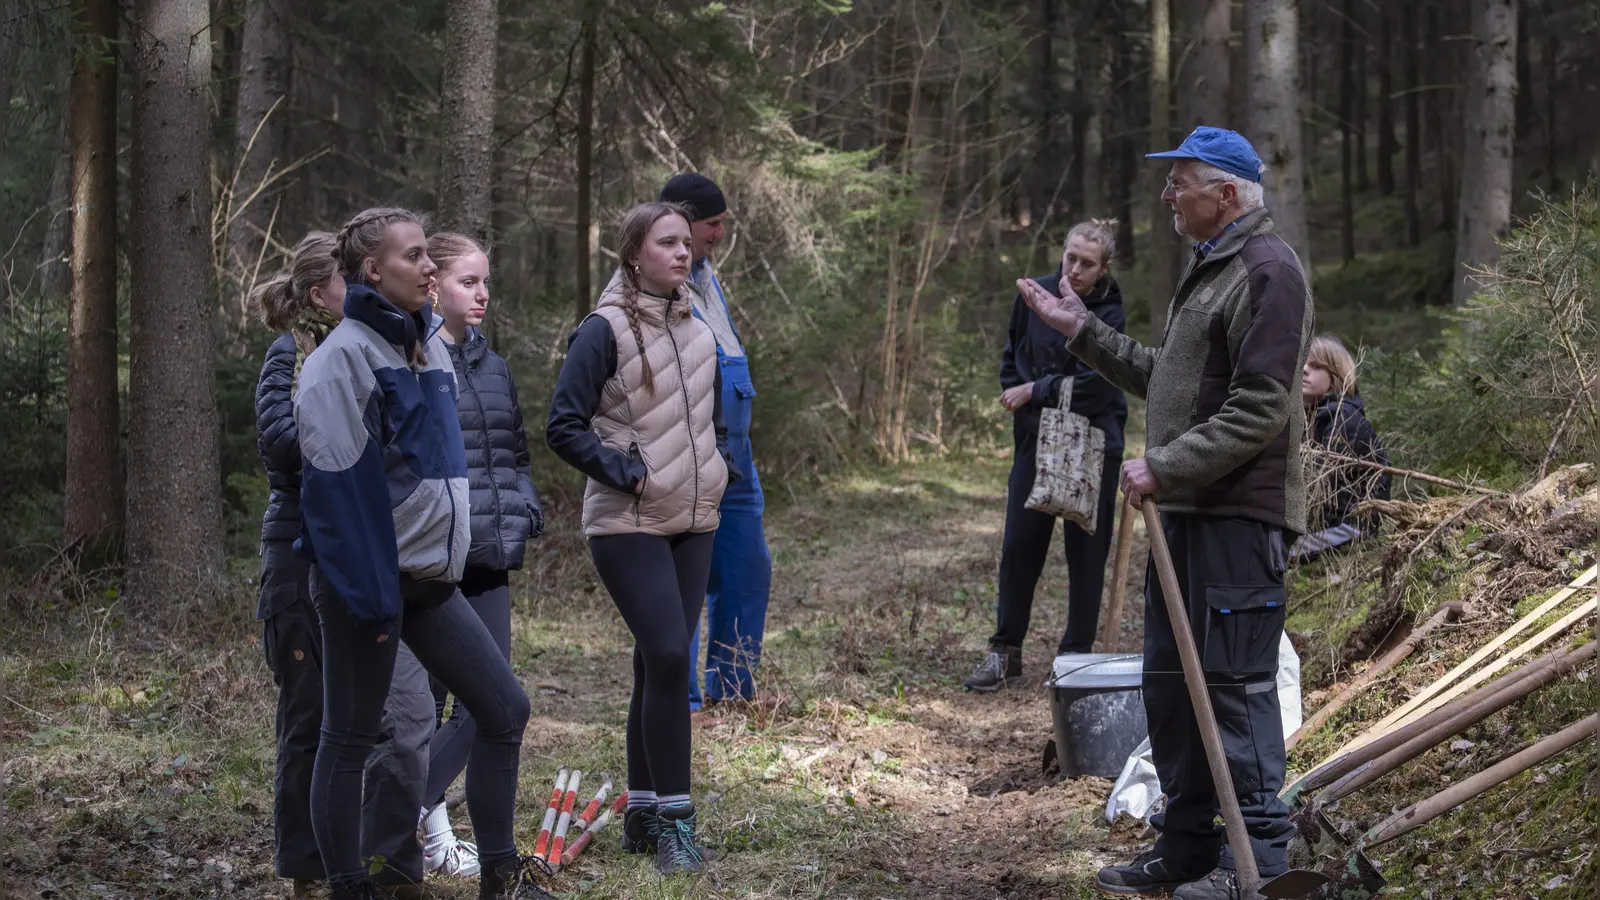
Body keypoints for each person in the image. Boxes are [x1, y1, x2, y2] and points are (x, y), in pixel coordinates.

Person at [1018, 126, 1313, 900]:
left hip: (1237, 518)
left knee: (1233, 688)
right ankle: (1185, 848)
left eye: (1179, 182)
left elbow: (1262, 408)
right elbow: (1167, 380)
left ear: (1225, 192)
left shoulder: (1267, 270)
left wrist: (1166, 463)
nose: (1166, 195)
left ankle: (1260, 865)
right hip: (1184, 515)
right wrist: (1079, 331)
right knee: (1171, 688)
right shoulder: (1209, 269)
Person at [295, 207, 542, 900]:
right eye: (414, 256)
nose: (429, 266)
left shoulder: (425, 346)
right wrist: (372, 601)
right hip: (365, 585)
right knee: (348, 737)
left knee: (504, 710)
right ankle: (352, 885)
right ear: (373, 269)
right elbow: (339, 500)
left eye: (430, 257)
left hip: (430, 582)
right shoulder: (340, 360)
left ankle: (501, 875)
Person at [546, 201, 733, 875]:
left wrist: (721, 465)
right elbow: (562, 424)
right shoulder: (605, 329)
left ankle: (644, 812)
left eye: (687, 243)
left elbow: (709, 407)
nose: (683, 253)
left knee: (657, 662)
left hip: (695, 515)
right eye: (668, 243)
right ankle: (678, 826)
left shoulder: (696, 317)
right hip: (627, 520)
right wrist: (628, 472)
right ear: (634, 254)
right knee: (667, 657)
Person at [252, 232, 438, 900]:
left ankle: (384, 861)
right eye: (344, 285)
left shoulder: (383, 351)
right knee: (310, 717)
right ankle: (307, 869)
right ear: (318, 294)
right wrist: (341, 427)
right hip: (298, 549)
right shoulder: (291, 355)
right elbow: (279, 442)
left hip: (370, 553)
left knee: (392, 716)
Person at [417, 232, 545, 875]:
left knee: (487, 702)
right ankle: (411, 809)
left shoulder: (492, 365)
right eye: (469, 282)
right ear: (432, 284)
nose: (483, 293)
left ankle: (413, 806)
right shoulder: (415, 359)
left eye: (486, 282)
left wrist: (525, 500)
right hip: (437, 565)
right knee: (433, 706)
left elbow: (515, 450)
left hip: (491, 558)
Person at [964, 219, 1129, 693]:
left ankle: (1074, 658)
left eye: (1087, 263)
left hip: (1094, 442)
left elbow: (1100, 387)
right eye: (1070, 257)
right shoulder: (1032, 294)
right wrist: (1025, 398)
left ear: (1104, 269)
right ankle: (1004, 652)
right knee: (1020, 546)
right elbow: (1011, 357)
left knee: (1085, 552)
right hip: (1036, 440)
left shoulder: (1108, 310)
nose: (1075, 269)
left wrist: (1037, 390)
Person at [658, 173, 774, 711]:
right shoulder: (660, 286)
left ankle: (734, 691)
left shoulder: (707, 278)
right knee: (682, 581)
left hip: (738, 457)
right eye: (714, 223)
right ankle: (679, 702)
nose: (721, 232)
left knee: (747, 568)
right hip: (693, 454)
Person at [1293, 335, 1390, 562]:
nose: (1305, 370)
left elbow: (1318, 483)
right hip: (1329, 525)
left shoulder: (1343, 419)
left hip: (1352, 526)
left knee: (1274, 555)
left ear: (1336, 375)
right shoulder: (1313, 417)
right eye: (1302, 364)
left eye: (1316, 366)